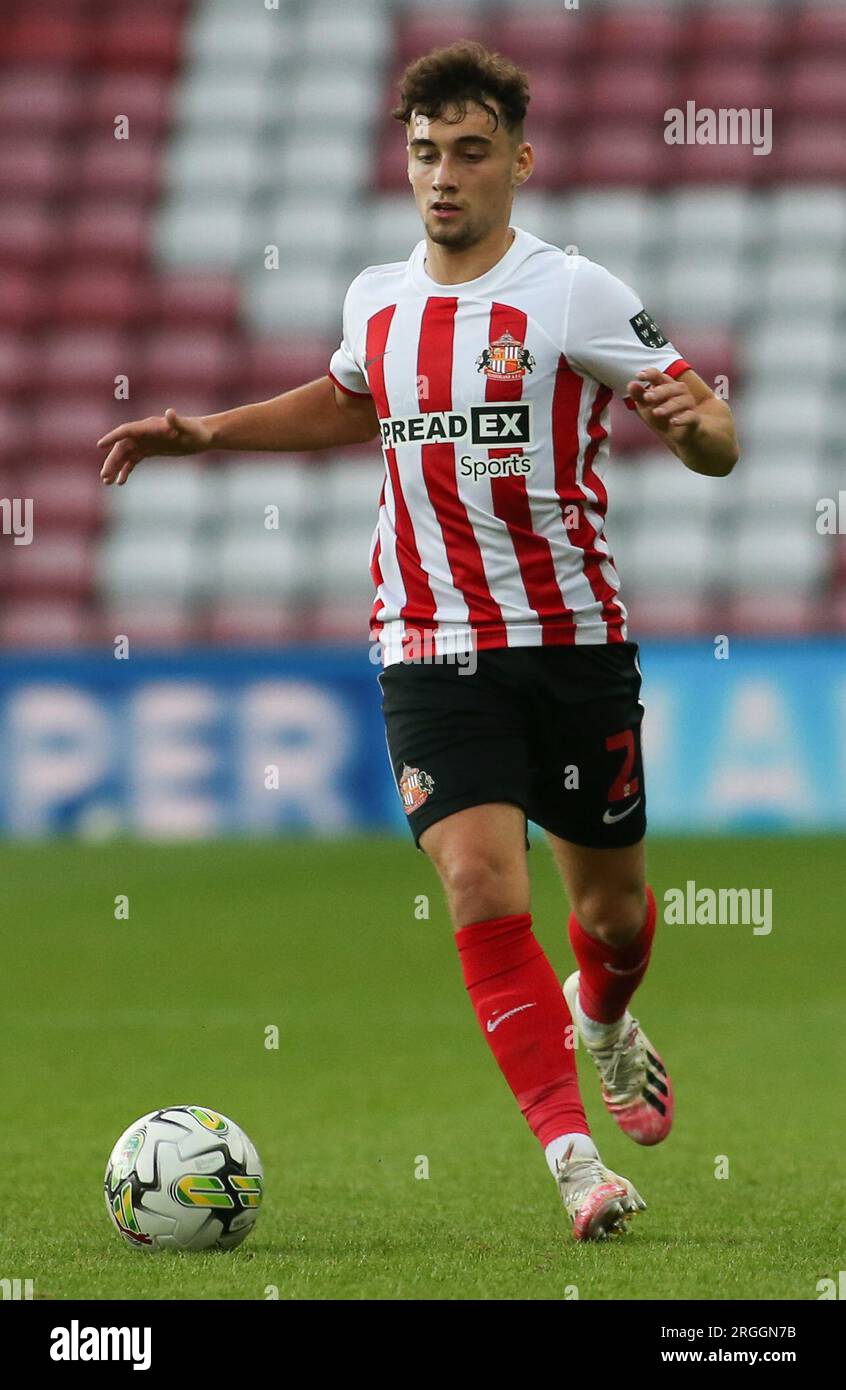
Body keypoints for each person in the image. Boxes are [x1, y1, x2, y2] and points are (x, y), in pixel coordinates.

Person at [97, 42, 738, 1240]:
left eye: (470, 152)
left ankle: (601, 1017)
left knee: (610, 914)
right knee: (480, 883)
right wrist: (210, 435)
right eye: (424, 152)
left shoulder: (575, 294)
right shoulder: (376, 299)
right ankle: (574, 1166)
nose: (443, 176)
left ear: (521, 161)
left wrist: (700, 426)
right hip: (428, 644)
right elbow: (349, 399)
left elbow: (715, 436)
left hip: (572, 640)